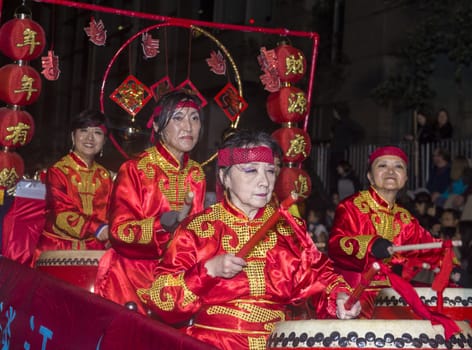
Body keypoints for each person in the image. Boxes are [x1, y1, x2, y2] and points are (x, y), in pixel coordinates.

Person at [138, 130, 361, 349]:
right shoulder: (198, 229)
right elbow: (161, 300)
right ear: (224, 177)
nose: (264, 182)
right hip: (213, 343)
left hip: (278, 341)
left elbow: (322, 278)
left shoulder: (288, 231)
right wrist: (207, 271)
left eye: (271, 171)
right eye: (251, 170)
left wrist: (340, 298)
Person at [95, 89, 206, 314]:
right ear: (156, 126)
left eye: (194, 119)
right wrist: (163, 224)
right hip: (131, 279)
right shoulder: (135, 169)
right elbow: (118, 231)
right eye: (178, 118)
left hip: (177, 281)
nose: (188, 127)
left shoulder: (197, 173)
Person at [328, 146, 448, 318]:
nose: (391, 171)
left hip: (390, 295)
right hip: (352, 294)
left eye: (398, 166)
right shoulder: (351, 206)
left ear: (405, 178)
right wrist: (370, 244)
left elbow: (429, 248)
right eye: (382, 165)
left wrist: (451, 263)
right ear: (370, 176)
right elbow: (335, 245)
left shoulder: (405, 218)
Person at [33, 110, 112, 258]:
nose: (90, 138)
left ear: (104, 141)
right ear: (73, 136)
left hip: (94, 251)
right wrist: (98, 228)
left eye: (97, 132)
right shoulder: (58, 171)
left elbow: (111, 213)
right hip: (57, 249)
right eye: (83, 130)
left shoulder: (105, 175)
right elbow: (61, 213)